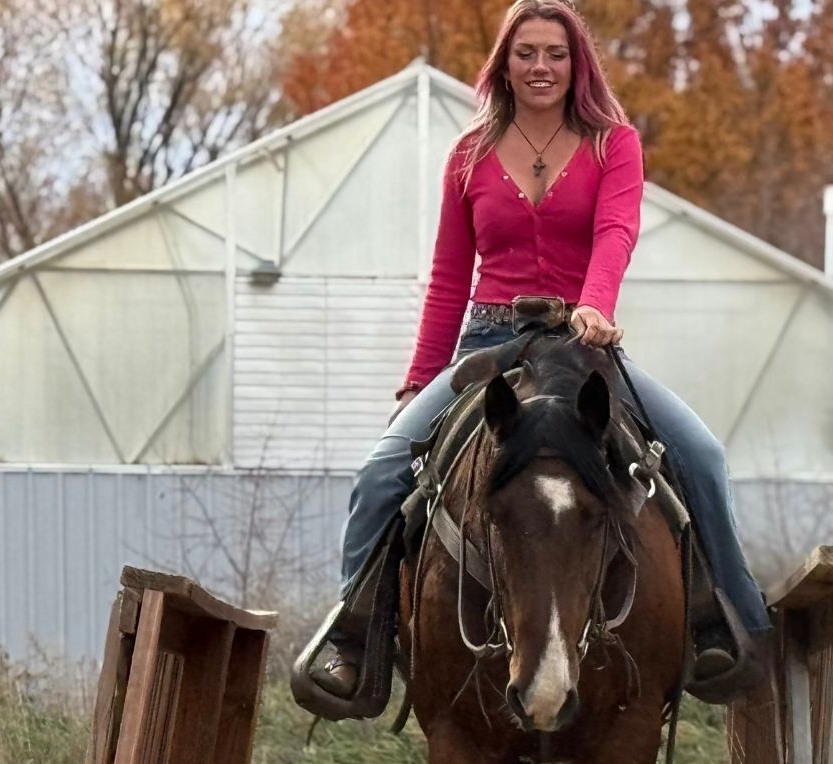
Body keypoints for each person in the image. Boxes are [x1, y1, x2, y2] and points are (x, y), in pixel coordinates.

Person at [305, 0, 769, 701]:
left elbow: (616, 233)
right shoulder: (468, 155)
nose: (541, 66)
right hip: (488, 345)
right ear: (505, 64)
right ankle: (352, 640)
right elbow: (449, 276)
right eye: (526, 53)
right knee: (379, 474)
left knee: (701, 454)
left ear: (577, 64)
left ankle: (728, 624)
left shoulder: (615, 144)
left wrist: (595, 306)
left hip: (582, 344)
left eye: (556, 53)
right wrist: (419, 380)